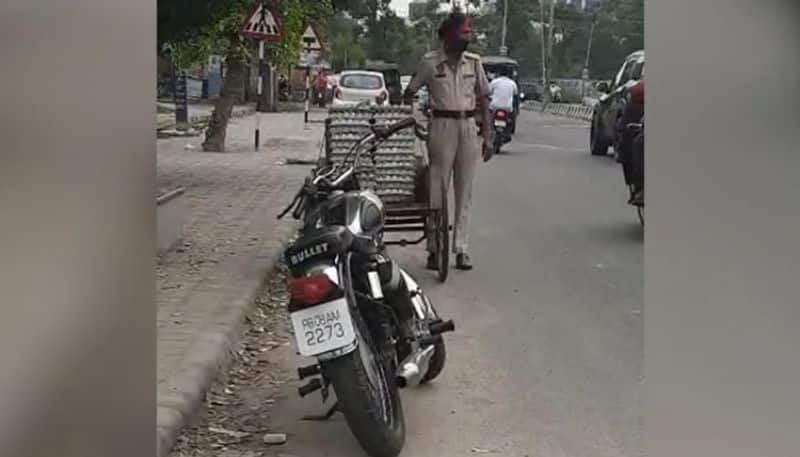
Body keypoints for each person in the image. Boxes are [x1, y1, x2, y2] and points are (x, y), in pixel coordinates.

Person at [403, 10, 493, 271]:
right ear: (451, 35)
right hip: (440, 126)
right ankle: (434, 248)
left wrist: (488, 134)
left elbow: (484, 99)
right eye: (464, 32)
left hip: (467, 126)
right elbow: (409, 93)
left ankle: (461, 249)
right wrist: (416, 122)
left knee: (465, 191)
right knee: (436, 189)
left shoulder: (474, 63)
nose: (469, 36)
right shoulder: (431, 63)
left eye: (469, 32)